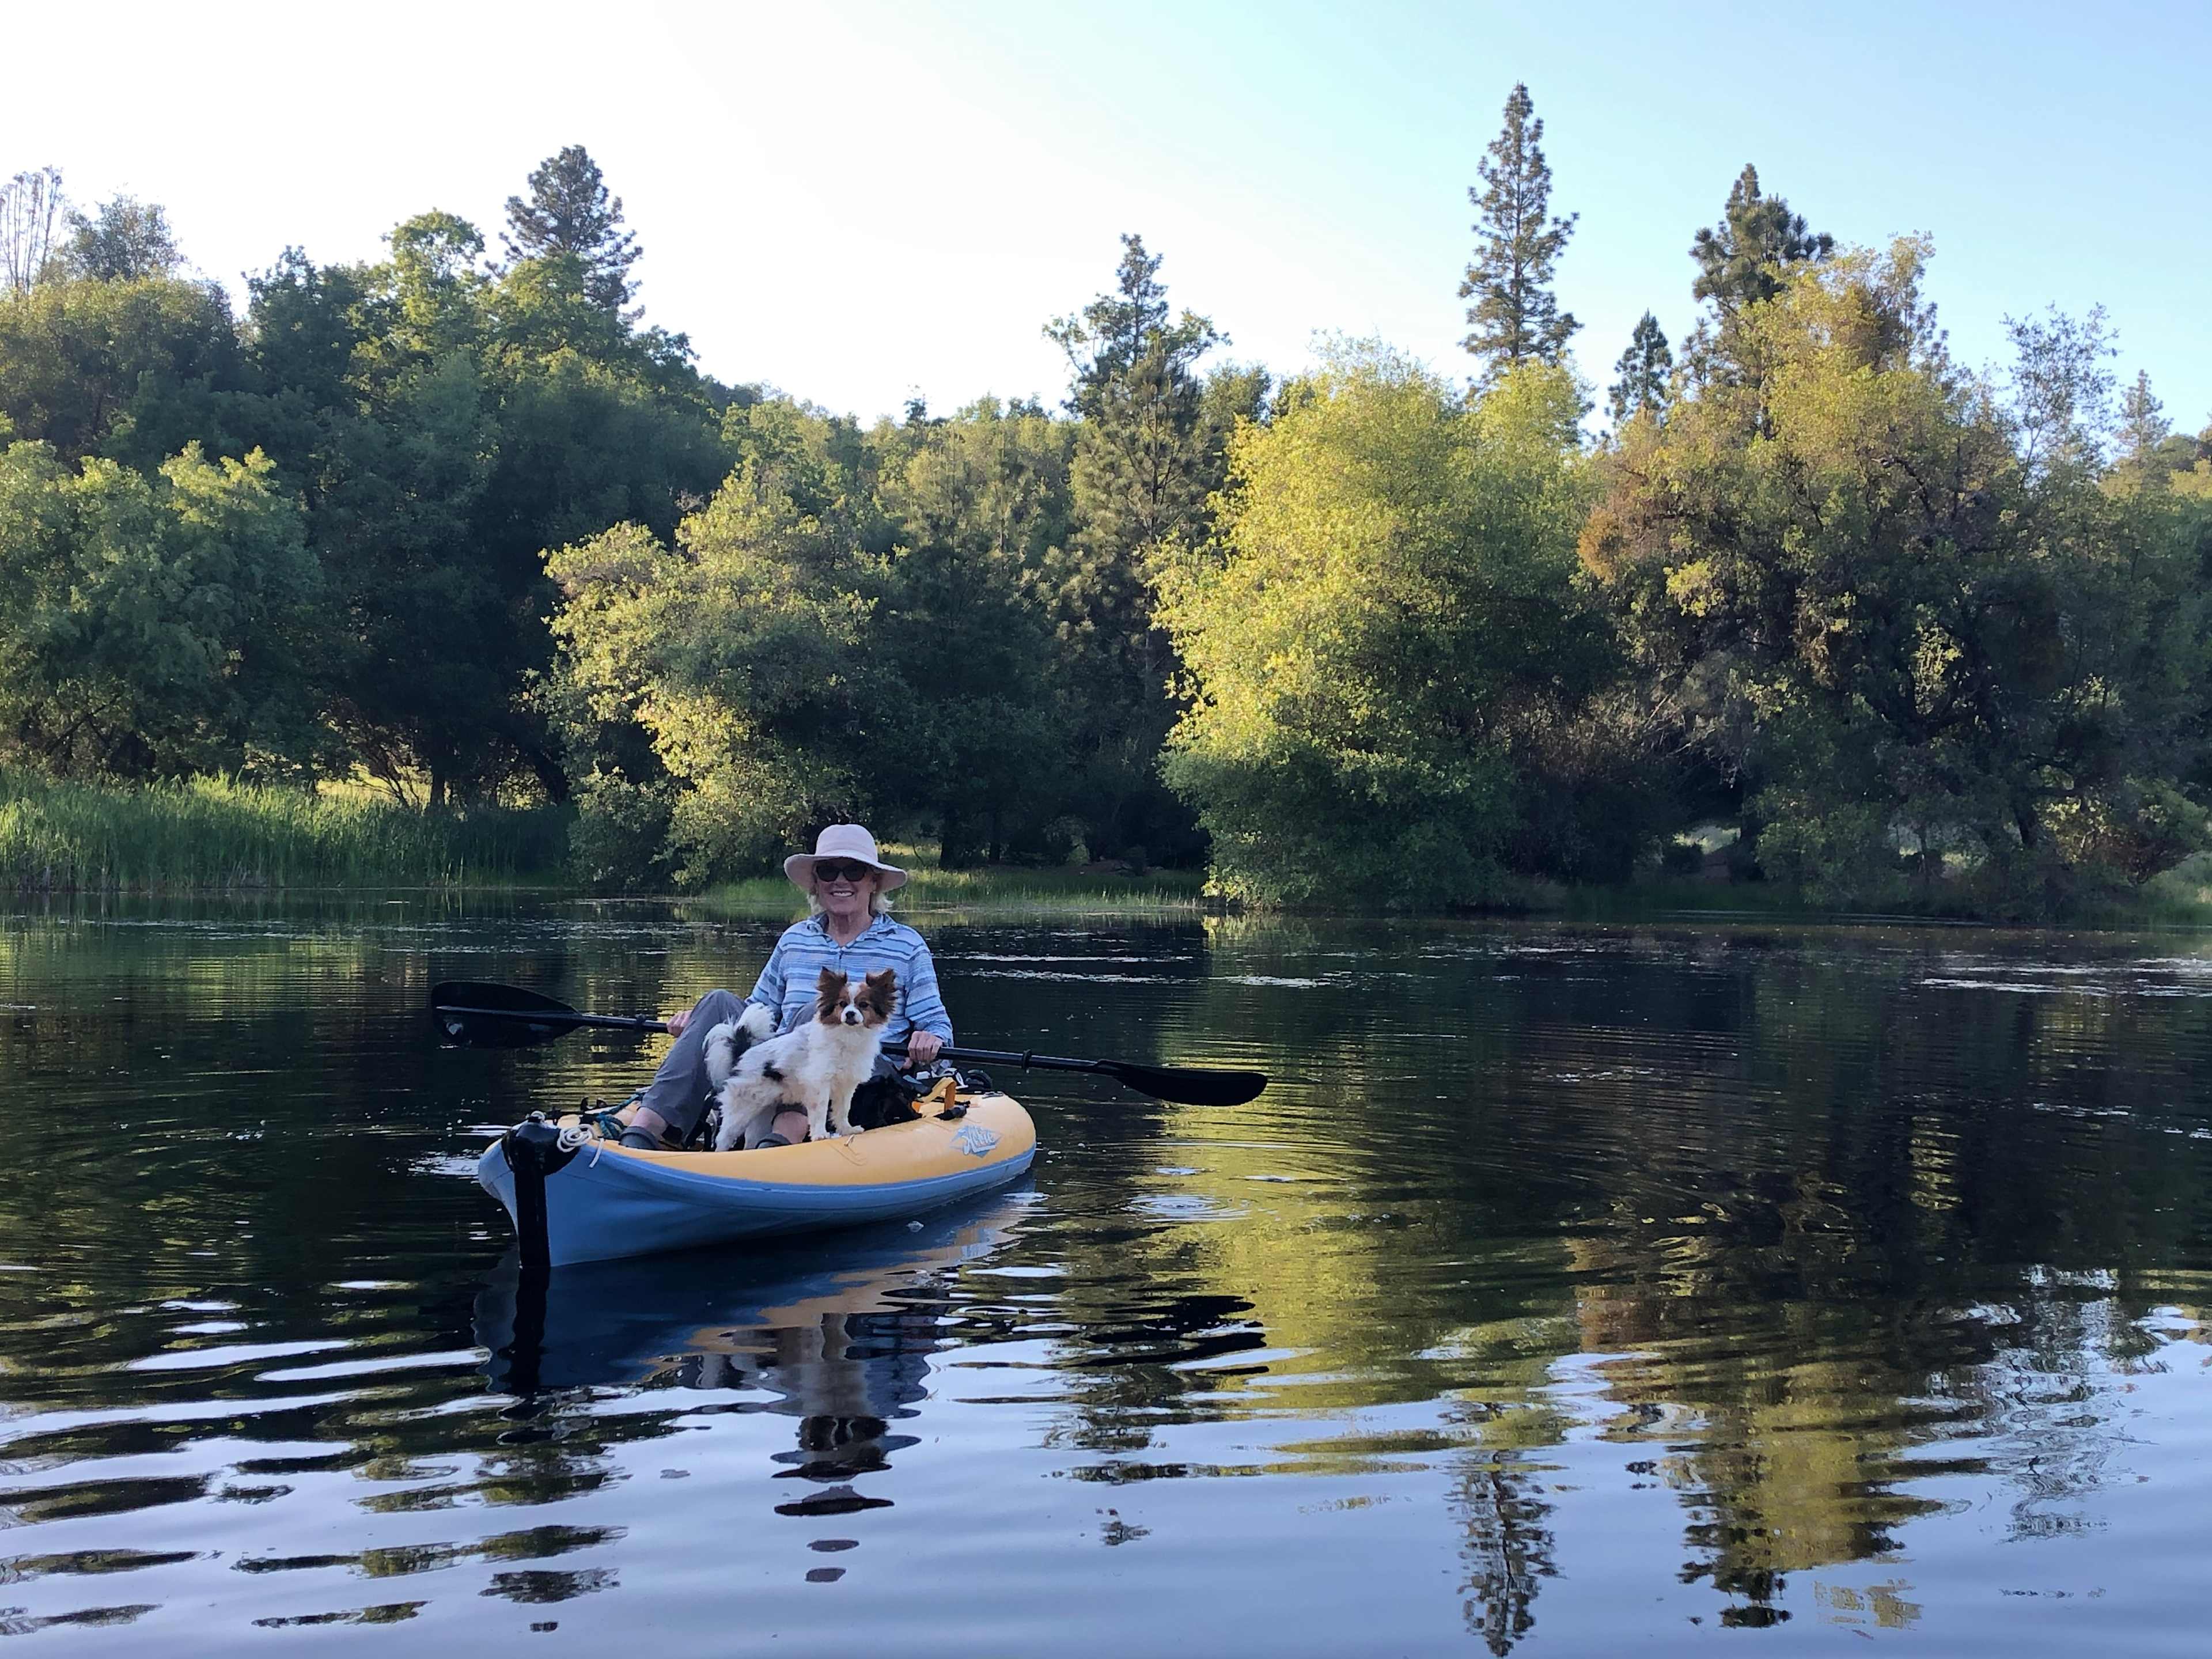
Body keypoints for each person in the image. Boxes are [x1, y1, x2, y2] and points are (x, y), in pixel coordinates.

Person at [618, 825, 952, 1151]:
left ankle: (779, 1142)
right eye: (828, 872)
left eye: (853, 871)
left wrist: (930, 1037)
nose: (840, 881)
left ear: (874, 882)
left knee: (816, 1014)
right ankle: (646, 1128)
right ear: (816, 883)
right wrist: (700, 1023)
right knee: (716, 1003)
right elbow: (758, 1009)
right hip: (783, 1064)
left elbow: (938, 1025)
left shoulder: (907, 946)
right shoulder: (795, 939)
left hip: (859, 1070)